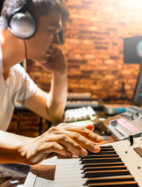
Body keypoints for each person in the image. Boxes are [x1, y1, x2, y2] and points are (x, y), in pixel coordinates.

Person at [0, 0, 103, 165]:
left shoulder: (16, 74)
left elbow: (51, 112)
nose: (57, 42)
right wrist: (27, 146)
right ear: (22, 25)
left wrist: (60, 73)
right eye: (52, 30)